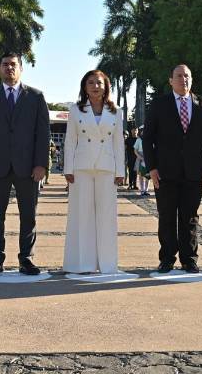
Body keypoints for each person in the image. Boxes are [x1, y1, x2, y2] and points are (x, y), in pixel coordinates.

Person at [0, 52, 50, 276]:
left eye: (13, 64)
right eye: (5, 64)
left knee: (29, 216)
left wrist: (41, 164)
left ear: (21, 68)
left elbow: (43, 134)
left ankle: (26, 258)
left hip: (28, 168)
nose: (9, 68)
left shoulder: (36, 97)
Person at [143, 64, 202, 274]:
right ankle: (167, 258)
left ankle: (189, 258)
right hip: (165, 172)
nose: (183, 79)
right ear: (170, 80)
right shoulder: (159, 104)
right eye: (179, 76)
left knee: (190, 217)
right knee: (167, 217)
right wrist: (152, 168)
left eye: (187, 76)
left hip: (195, 172)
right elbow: (148, 138)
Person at [62, 70, 125, 273]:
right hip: (81, 167)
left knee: (107, 216)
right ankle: (83, 263)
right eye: (90, 83)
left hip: (107, 167)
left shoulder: (116, 111)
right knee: (82, 215)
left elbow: (118, 142)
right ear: (84, 87)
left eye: (99, 83)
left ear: (106, 86)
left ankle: (107, 264)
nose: (95, 86)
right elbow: (70, 141)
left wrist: (120, 171)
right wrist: (68, 168)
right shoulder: (75, 110)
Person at [133, 127, 150, 195]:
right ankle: (142, 190)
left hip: (148, 158)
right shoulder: (138, 140)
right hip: (140, 158)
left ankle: (146, 190)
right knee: (141, 175)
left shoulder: (149, 139)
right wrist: (140, 157)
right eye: (143, 131)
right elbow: (135, 150)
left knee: (148, 175)